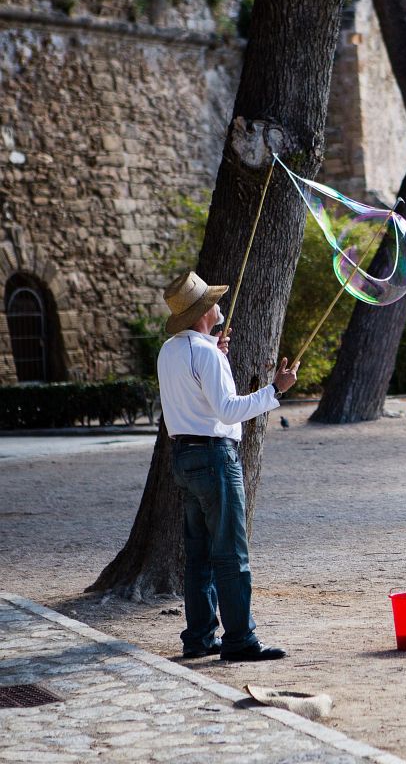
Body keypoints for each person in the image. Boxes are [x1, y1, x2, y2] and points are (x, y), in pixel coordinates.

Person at [158, 271, 298, 662]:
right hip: (215, 457)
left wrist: (214, 354)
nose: (220, 303)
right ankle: (239, 640)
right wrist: (276, 390)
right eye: (213, 300)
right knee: (231, 553)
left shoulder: (170, 350)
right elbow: (228, 410)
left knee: (199, 554)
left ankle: (199, 638)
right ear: (204, 312)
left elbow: (196, 391)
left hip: (183, 457)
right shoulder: (205, 353)